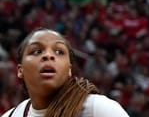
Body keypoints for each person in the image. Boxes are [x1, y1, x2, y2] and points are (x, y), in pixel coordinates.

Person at [1, 27, 129, 117]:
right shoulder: (11, 115)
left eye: (59, 52)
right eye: (36, 51)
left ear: (69, 69)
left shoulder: (98, 108)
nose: (48, 56)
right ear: (20, 70)